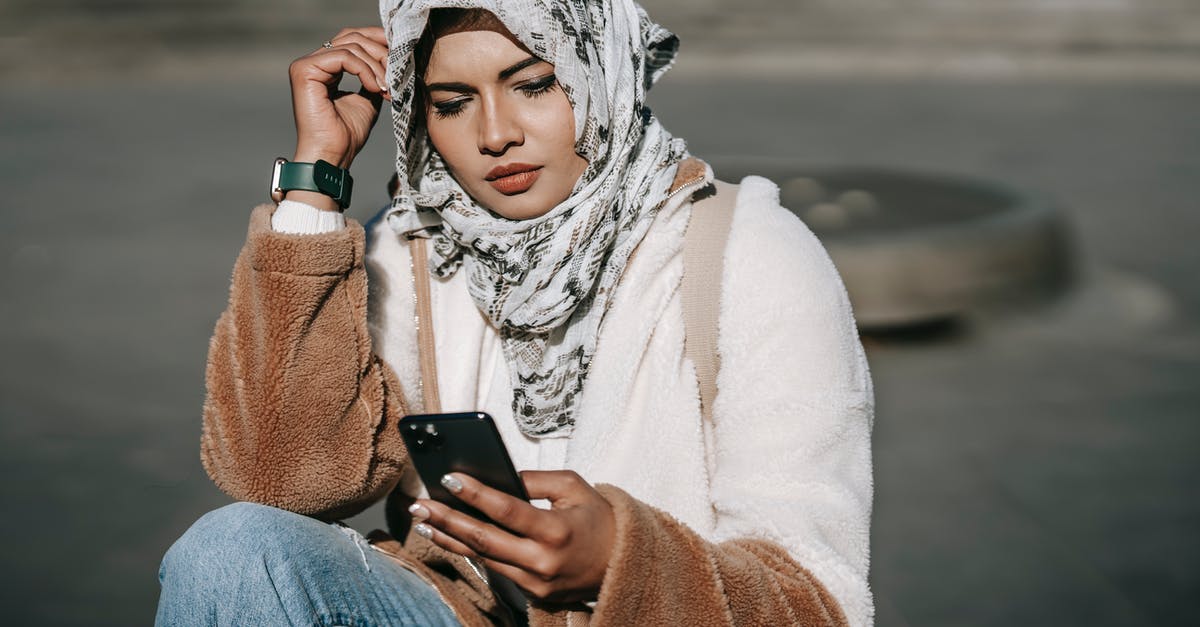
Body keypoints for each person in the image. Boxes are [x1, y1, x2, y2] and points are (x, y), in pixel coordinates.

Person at [156, 0, 875, 625]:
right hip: (462, 612)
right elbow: (284, 479)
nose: (495, 134)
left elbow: (818, 606)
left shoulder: (745, 249)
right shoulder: (411, 244)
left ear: (604, 69)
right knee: (231, 549)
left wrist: (615, 561)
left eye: (533, 84)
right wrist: (317, 180)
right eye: (451, 102)